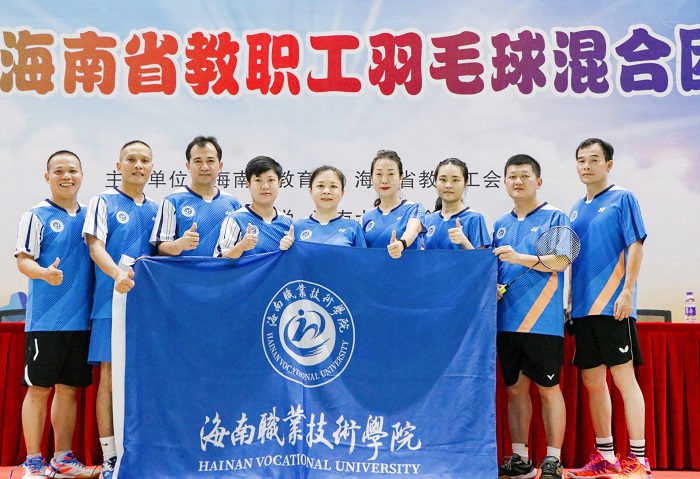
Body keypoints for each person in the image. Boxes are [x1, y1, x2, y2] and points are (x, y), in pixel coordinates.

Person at [567, 139, 650, 479]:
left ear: (609, 164)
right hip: (583, 310)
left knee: (624, 379)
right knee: (592, 381)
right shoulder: (575, 209)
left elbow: (636, 245)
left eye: (593, 159)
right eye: (581, 160)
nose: (586, 166)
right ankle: (605, 458)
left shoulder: (623, 199)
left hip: (614, 305)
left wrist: (627, 292)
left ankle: (639, 460)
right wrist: (569, 302)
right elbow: (572, 260)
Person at [14, 151, 99, 479]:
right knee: (39, 389)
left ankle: (62, 459)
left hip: (81, 321)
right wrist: (44, 273)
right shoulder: (35, 215)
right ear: (47, 177)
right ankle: (33, 462)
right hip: (45, 322)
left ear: (82, 175)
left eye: (73, 170)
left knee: (69, 390)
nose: (67, 176)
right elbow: (23, 260)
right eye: (59, 171)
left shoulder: (92, 218)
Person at [82, 140, 158, 479]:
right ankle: (110, 456)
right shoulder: (104, 201)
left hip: (147, 310)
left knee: (144, 377)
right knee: (109, 376)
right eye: (131, 159)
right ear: (119, 165)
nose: (138, 165)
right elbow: (94, 245)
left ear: (152, 167)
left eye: (144, 160)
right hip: (110, 303)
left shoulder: (157, 208)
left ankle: (141, 451)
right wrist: (117, 275)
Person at [492, 154, 568, 479]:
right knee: (515, 391)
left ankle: (553, 459)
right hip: (507, 322)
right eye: (512, 176)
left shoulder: (555, 217)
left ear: (538, 181)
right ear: (504, 182)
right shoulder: (500, 224)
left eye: (524, 175)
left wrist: (520, 258)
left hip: (543, 322)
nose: (518, 181)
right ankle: (521, 458)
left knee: (549, 389)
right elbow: (492, 268)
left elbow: (561, 260)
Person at [151, 136, 241, 256]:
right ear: (188, 166)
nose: (204, 167)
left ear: (220, 166)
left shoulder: (233, 204)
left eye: (210, 161)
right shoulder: (172, 201)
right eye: (198, 161)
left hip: (223, 269)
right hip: (185, 269)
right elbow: (161, 248)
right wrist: (180, 244)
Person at [215, 155, 294, 258]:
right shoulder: (235, 220)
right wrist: (241, 247)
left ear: (279, 183)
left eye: (271, 180)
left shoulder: (288, 223)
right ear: (248, 184)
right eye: (258, 180)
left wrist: (291, 249)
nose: (265, 186)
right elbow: (219, 260)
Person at [360, 149, 425, 257]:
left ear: (401, 178)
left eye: (391, 174)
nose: (384, 180)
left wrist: (401, 244)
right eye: (379, 174)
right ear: (371, 179)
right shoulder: (365, 218)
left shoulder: (413, 208)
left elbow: (413, 229)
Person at [422, 158, 490, 250]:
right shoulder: (427, 220)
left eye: (455, 180)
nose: (448, 185)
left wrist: (464, 242)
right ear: (435, 182)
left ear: (465, 184)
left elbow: (482, 258)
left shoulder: (473, 218)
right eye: (443, 179)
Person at [293, 165, 366, 247]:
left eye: (333, 186)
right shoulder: (297, 227)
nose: (326, 191)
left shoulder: (353, 227)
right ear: (311, 191)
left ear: (342, 192)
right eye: (320, 186)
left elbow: (362, 255)